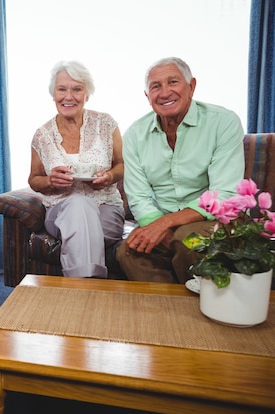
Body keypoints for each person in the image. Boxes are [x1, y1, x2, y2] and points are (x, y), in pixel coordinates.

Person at [117, 57, 245, 283]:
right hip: (162, 219)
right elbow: (138, 198)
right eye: (156, 86)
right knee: (129, 251)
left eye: (173, 82)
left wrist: (167, 224)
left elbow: (224, 194)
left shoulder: (223, 122)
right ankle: (167, 311)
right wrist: (160, 229)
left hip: (214, 219)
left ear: (191, 86)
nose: (165, 92)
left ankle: (203, 307)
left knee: (187, 239)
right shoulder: (134, 135)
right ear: (148, 96)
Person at [27, 60, 125, 278]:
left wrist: (109, 177)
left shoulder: (106, 124)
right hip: (60, 211)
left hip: (106, 210)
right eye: (62, 89)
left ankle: (79, 288)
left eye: (77, 89)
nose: (68, 96)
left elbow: (121, 164)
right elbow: (34, 179)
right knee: (79, 205)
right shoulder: (42, 135)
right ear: (53, 93)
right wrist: (51, 181)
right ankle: (92, 285)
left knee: (81, 229)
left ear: (87, 94)